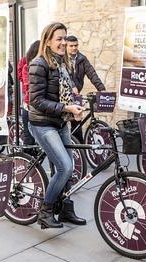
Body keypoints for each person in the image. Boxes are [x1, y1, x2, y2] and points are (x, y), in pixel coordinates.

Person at [28, 22, 87, 229]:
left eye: (65, 38)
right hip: (42, 123)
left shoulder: (62, 63)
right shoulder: (39, 63)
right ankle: (45, 211)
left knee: (69, 169)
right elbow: (35, 100)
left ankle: (65, 209)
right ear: (48, 41)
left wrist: (75, 107)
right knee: (65, 167)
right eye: (59, 39)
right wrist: (66, 108)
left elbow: (66, 92)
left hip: (60, 121)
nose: (63, 42)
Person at [65, 35, 106, 141]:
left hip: (76, 95)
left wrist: (102, 90)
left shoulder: (82, 59)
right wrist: (72, 86)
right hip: (63, 94)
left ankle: (79, 148)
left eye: (76, 45)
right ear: (66, 46)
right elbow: (65, 75)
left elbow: (92, 74)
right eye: (71, 46)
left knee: (77, 121)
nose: (74, 48)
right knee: (61, 122)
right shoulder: (61, 59)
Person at [16, 40, 40, 153]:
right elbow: (23, 78)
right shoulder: (26, 64)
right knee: (29, 138)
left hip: (36, 103)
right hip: (30, 102)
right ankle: (26, 164)